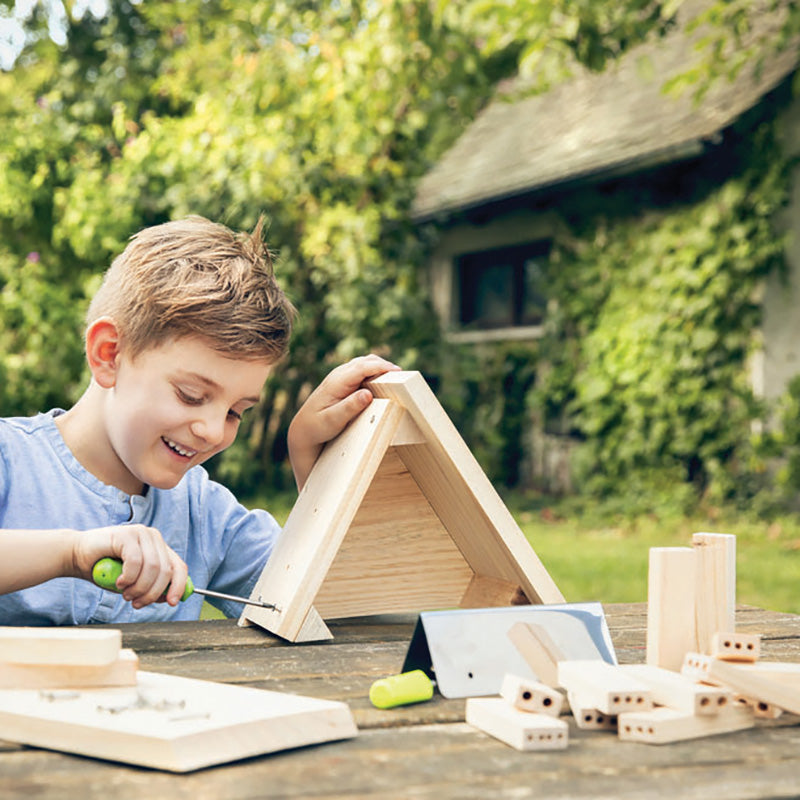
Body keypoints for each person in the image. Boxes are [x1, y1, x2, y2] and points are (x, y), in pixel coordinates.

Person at [0, 215, 399, 624]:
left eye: (234, 412)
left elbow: (340, 610)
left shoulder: (208, 517)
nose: (211, 431)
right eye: (191, 396)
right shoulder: (10, 460)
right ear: (109, 354)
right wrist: (71, 553)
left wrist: (317, 472)